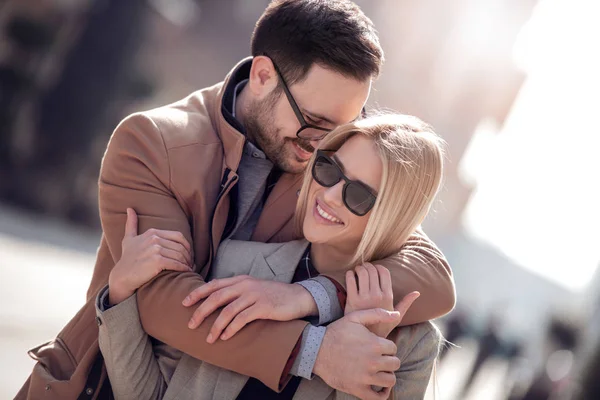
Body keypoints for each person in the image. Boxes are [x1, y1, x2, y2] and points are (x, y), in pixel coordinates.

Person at [17, 1, 455, 399]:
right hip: (96, 385)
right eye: (315, 122)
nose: (324, 145)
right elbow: (165, 302)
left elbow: (430, 273)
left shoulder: (328, 169)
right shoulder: (150, 143)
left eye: (340, 128)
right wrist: (316, 352)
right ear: (263, 76)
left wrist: (312, 296)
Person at [99, 113, 445, 400]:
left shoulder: (411, 342)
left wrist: (371, 350)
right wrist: (120, 292)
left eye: (359, 195)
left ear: (392, 216)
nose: (330, 196)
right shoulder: (238, 266)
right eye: (329, 170)